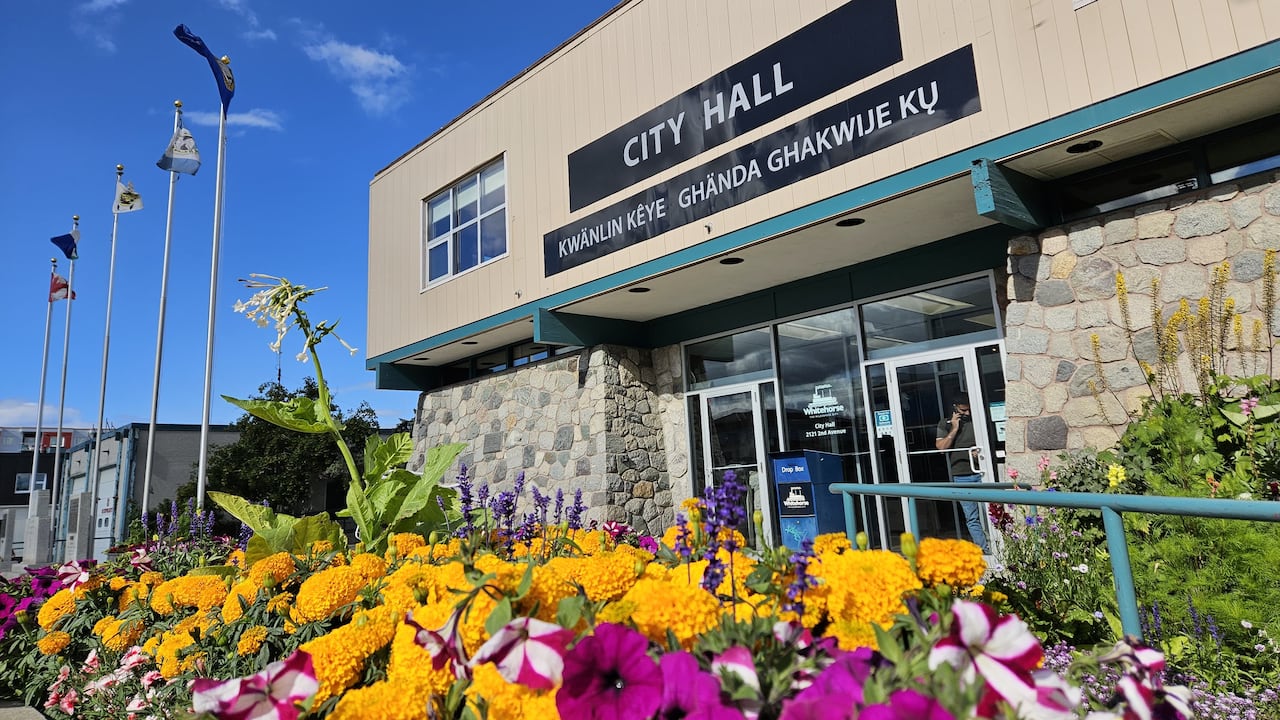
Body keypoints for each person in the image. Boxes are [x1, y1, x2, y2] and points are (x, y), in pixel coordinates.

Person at [935, 394, 988, 553]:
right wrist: (955, 428)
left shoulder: (978, 420)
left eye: (969, 409)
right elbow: (941, 447)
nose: (968, 414)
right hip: (961, 475)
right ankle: (984, 551)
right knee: (972, 517)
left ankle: (1002, 548)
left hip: (982, 472)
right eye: (964, 410)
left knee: (992, 513)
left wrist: (978, 454)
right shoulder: (945, 424)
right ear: (955, 408)